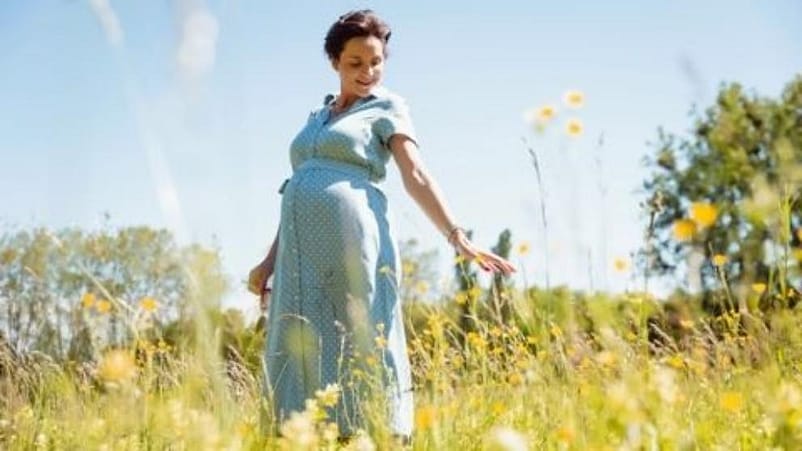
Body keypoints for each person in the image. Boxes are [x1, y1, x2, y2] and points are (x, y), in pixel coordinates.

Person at [247, 9, 516, 443]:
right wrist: (268, 261)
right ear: (334, 61)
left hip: (351, 238)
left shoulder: (387, 107)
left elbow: (416, 174)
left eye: (376, 62)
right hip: (297, 252)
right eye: (355, 62)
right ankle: (299, 434)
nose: (368, 72)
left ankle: (372, 433)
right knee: (298, 332)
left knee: (357, 328)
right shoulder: (316, 117)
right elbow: (296, 190)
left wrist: (457, 236)